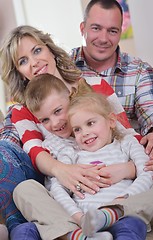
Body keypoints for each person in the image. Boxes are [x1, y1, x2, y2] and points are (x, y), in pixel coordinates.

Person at [0, 25, 136, 239]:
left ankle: (113, 217)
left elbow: (126, 133)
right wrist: (62, 170)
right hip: (67, 188)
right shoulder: (21, 110)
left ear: (50, 50)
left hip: (114, 173)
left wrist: (129, 168)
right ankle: (78, 233)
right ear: (19, 72)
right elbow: (36, 153)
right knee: (24, 190)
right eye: (23, 61)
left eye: (36, 51)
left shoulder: (97, 85)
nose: (34, 63)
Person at [16, 73, 149, 240]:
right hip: (80, 212)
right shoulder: (62, 148)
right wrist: (78, 216)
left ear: (70, 100)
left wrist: (128, 172)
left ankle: (105, 219)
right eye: (45, 120)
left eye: (58, 111)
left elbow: (145, 163)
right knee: (24, 190)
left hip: (122, 206)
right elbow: (55, 187)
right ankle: (78, 235)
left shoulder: (117, 135)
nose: (55, 123)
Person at [70, 0, 153, 179]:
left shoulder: (140, 71)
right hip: (79, 166)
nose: (103, 39)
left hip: (130, 164)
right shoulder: (64, 68)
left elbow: (152, 117)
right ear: (82, 28)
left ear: (120, 31)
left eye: (112, 31)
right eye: (96, 28)